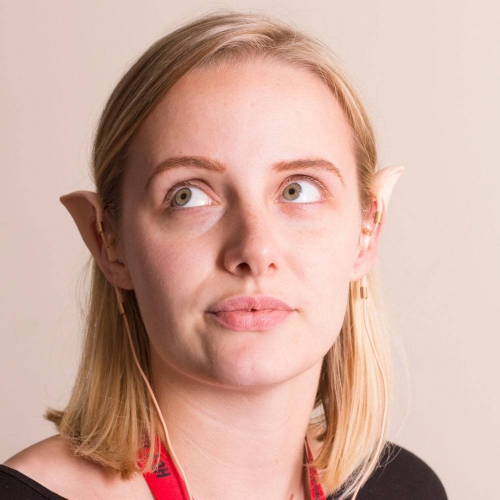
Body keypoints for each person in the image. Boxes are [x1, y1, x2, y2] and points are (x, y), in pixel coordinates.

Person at [1, 9, 448, 500]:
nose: (254, 250)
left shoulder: (404, 489)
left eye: (298, 190)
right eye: (188, 195)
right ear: (108, 241)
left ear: (368, 230)